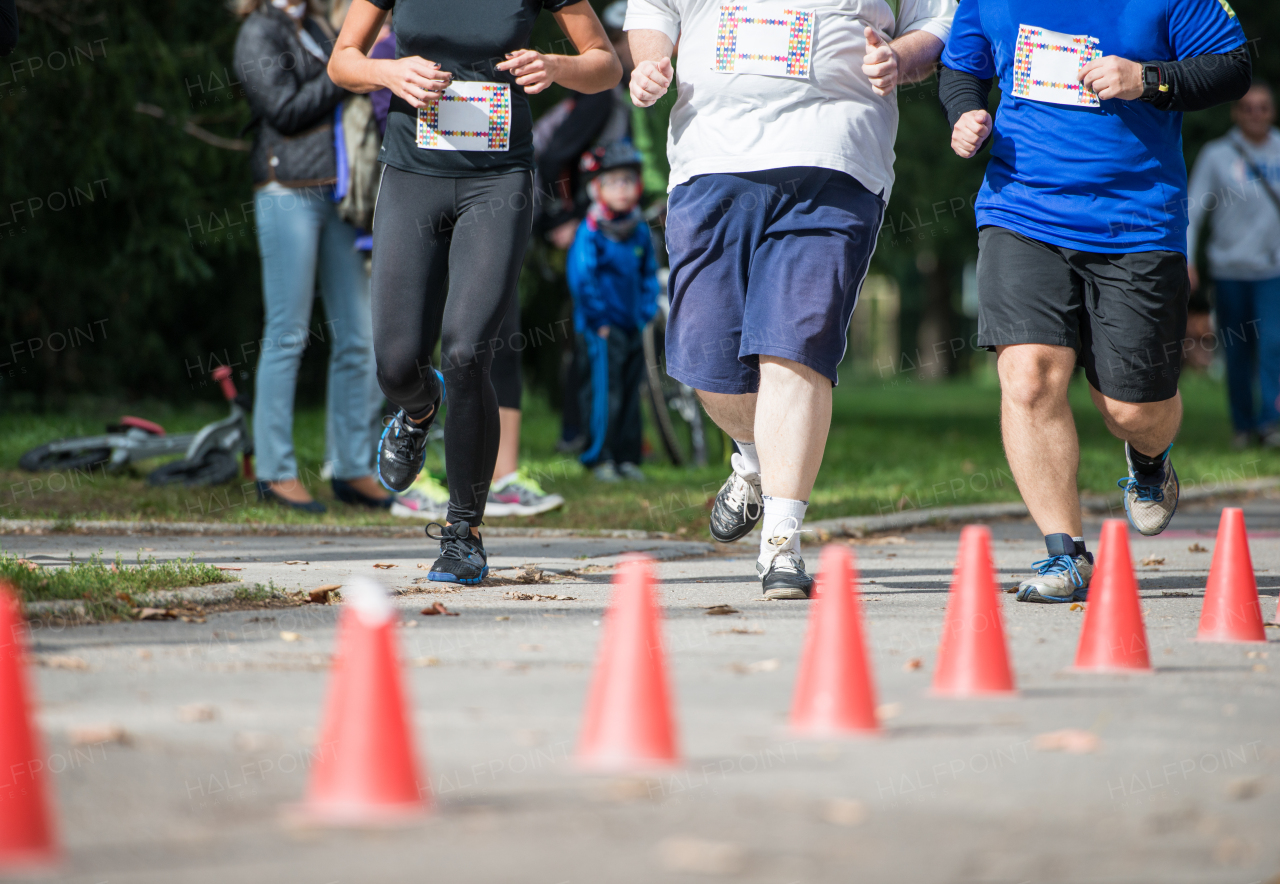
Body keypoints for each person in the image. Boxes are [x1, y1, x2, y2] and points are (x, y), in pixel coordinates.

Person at [627, 0, 953, 599]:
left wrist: (901, 58)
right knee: (709, 358)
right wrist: (649, 62)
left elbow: (939, 19)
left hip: (835, 160)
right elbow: (652, 8)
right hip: (712, 160)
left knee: (795, 346)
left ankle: (781, 540)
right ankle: (753, 459)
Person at [941, 0, 1251, 603]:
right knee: (1027, 376)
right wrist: (965, 112)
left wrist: (1150, 78)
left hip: (1136, 220)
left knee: (1132, 411)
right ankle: (1066, 555)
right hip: (1021, 207)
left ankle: (1149, 460)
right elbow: (962, 66)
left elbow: (1234, 65)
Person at [329, 0, 620, 582]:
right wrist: (390, 72)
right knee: (395, 363)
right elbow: (343, 61)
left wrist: (556, 68)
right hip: (413, 174)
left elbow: (605, 64)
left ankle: (463, 531)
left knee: (466, 353)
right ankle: (417, 410)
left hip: (498, 181)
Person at [234, 0, 391, 515]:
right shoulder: (258, 30)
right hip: (286, 191)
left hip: (338, 195)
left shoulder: (319, 26)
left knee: (361, 336)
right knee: (287, 331)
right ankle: (275, 470)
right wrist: (345, 73)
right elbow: (284, 110)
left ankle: (351, 466)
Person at [1188, 82, 1280, 451]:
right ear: (1236, 114)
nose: (1255, 114)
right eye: (1247, 108)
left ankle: (1270, 422)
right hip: (1228, 271)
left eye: (1263, 107)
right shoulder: (1217, 155)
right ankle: (1243, 426)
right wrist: (1188, 258)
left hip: (1272, 271)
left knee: (1273, 344)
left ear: (1271, 112)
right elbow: (1193, 210)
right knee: (1237, 351)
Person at [567, 142, 660, 482]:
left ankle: (627, 457)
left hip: (632, 324)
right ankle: (598, 457)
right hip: (601, 329)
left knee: (632, 392)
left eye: (628, 181)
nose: (623, 189)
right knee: (607, 393)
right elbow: (582, 277)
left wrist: (646, 309)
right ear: (597, 188)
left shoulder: (637, 229)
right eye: (614, 182)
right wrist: (599, 319)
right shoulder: (591, 231)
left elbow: (648, 273)